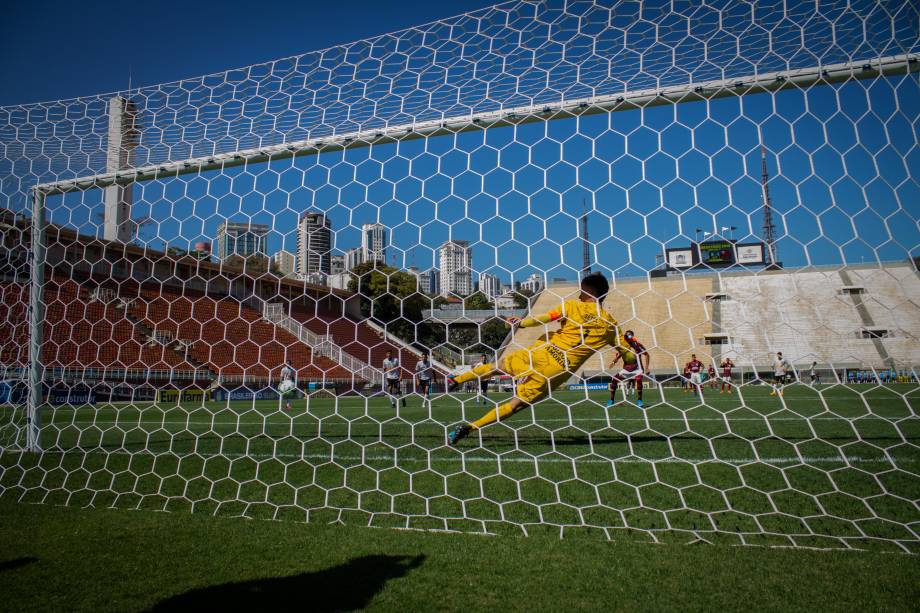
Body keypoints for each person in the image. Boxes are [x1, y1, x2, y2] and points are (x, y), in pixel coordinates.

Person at [445, 273, 618, 445]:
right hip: (557, 370)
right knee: (515, 405)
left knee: (498, 366)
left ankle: (457, 379)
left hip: (541, 353)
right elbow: (630, 355)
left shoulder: (573, 306)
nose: (579, 295)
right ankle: (469, 428)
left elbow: (544, 319)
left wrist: (521, 322)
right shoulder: (611, 325)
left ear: (589, 292)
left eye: (581, 291)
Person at [607, 330, 650, 408]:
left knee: (639, 380)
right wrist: (614, 362)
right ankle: (611, 400)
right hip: (626, 369)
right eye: (626, 335)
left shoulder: (637, 345)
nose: (627, 337)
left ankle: (639, 400)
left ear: (632, 336)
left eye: (629, 335)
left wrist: (647, 368)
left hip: (637, 368)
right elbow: (620, 354)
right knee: (614, 379)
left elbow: (647, 355)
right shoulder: (623, 345)